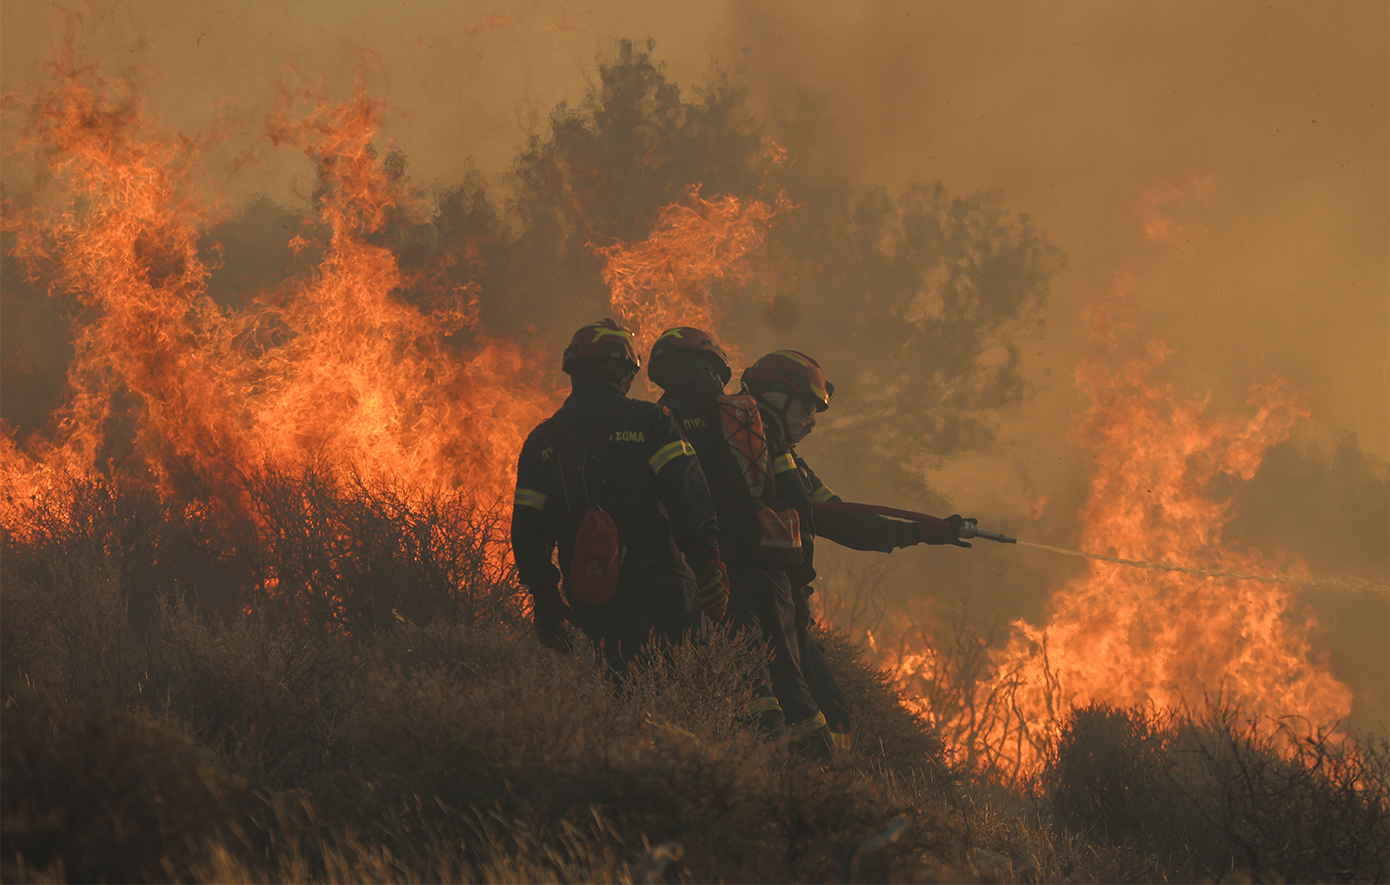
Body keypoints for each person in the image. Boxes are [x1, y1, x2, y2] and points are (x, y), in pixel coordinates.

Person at [741, 350, 974, 750]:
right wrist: (923, 532)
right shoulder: (764, 453)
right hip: (763, 603)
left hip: (778, 604)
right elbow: (841, 521)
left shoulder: (785, 461)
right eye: (806, 407)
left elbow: (842, 517)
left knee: (825, 715)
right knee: (818, 718)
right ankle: (807, 794)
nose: (810, 422)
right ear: (778, 396)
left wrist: (924, 531)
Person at [649, 327, 837, 759]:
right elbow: (797, 504)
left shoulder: (658, 420)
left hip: (709, 573)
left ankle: (765, 776)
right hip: (771, 575)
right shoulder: (751, 414)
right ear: (718, 369)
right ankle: (828, 784)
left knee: (750, 683)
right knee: (796, 689)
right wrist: (799, 583)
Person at [510, 319, 730, 675]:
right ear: (627, 372)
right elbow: (687, 491)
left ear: (573, 371)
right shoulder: (651, 420)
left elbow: (527, 529)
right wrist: (708, 561)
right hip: (665, 586)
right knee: (690, 682)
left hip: (590, 589)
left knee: (617, 687)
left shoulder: (542, 441)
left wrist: (545, 595)